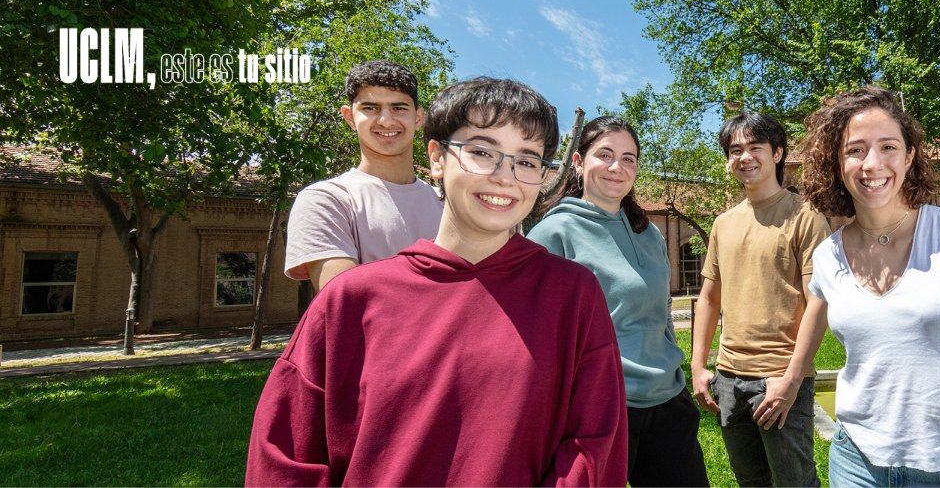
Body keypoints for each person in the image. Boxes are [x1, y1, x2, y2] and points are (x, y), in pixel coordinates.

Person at [246, 77, 628, 486]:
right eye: (482, 151)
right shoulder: (350, 300)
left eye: (527, 160)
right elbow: (286, 458)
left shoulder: (572, 294)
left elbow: (594, 442)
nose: (505, 176)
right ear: (437, 158)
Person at [782, 85, 940, 486]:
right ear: (836, 163)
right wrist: (789, 381)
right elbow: (816, 317)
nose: (872, 163)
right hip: (858, 460)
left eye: (888, 147)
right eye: (855, 150)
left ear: (909, 156)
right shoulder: (827, 256)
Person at [529, 115, 710, 486]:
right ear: (578, 163)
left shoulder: (650, 233)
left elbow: (661, 314)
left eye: (629, 158)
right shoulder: (552, 232)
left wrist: (676, 371)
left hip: (667, 400)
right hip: (599, 408)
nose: (617, 167)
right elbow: (537, 336)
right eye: (605, 155)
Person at [691, 110, 831, 487]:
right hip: (728, 378)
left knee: (794, 482)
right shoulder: (724, 222)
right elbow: (708, 297)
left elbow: (818, 301)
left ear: (778, 153)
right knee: (749, 480)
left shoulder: (806, 217)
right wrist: (699, 365)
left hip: (779, 379)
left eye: (756, 147)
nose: (745, 157)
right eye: (735, 150)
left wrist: (791, 378)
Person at [283, 60, 443, 291]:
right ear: (349, 117)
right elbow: (348, 304)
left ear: (418, 118)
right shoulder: (326, 200)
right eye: (370, 108)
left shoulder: (449, 203)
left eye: (399, 108)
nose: (386, 120)